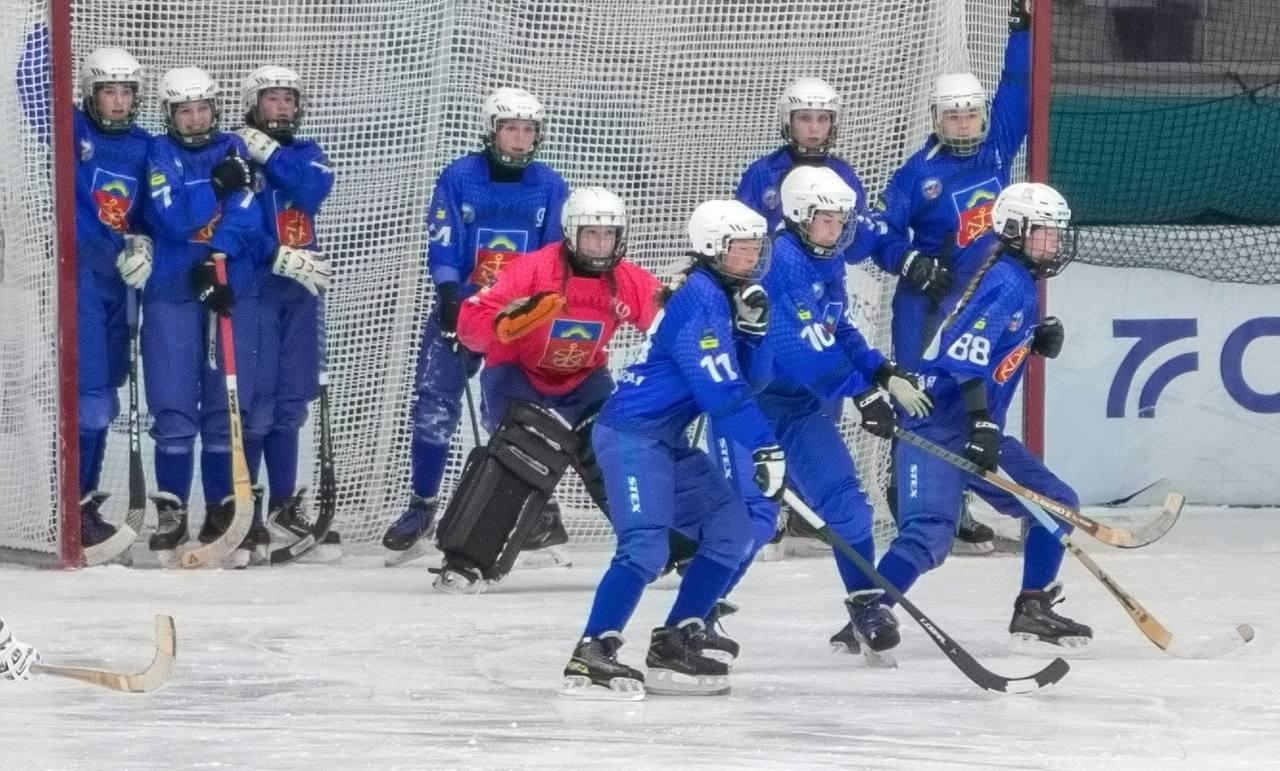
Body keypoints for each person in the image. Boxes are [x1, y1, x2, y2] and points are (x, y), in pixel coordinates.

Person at [705, 166, 931, 664]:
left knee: (848, 504)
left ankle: (866, 606)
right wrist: (861, 392)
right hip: (747, 408)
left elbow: (837, 328)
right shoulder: (780, 261)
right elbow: (803, 346)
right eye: (827, 219)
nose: (838, 228)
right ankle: (695, 617)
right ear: (799, 216)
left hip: (797, 407)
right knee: (753, 519)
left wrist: (882, 371)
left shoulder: (825, 261)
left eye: (842, 219)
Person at [559, 200, 783, 700]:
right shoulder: (701, 298)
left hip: (666, 438)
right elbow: (720, 391)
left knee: (733, 530)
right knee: (646, 546)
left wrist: (754, 334)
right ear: (712, 249)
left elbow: (753, 379)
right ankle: (592, 649)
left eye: (756, 248)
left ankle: (679, 637)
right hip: (632, 435)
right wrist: (764, 447)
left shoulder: (724, 296)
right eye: (741, 249)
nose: (752, 258)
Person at [875, 181, 1092, 653]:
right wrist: (983, 422)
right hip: (939, 425)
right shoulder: (1008, 280)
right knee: (928, 535)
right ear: (1015, 230)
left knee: (1055, 502)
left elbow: (988, 342)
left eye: (1056, 231)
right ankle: (869, 614)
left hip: (969, 425)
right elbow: (963, 355)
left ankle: (1033, 607)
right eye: (1045, 231)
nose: (1055, 241)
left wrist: (1029, 340)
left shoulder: (1016, 277)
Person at [382, 87, 569, 564]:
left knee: (518, 411)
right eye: (510, 128)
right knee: (434, 402)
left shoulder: (550, 184)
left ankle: (535, 512)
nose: (520, 138)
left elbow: (554, 254)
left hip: (522, 316)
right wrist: (449, 293)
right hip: (466, 307)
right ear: (491, 131)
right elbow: (444, 239)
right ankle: (422, 506)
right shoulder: (460, 175)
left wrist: (541, 309)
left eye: (528, 130)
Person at [877, 0, 1033, 551]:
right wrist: (910, 261)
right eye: (953, 116)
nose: (963, 124)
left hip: (981, 299)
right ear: (936, 119)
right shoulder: (916, 175)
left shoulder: (997, 149)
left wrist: (1021, 30)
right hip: (926, 304)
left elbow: (1017, 86)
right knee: (919, 398)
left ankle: (958, 498)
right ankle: (908, 498)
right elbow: (879, 234)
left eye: (970, 115)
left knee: (979, 400)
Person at [450, 187, 662, 584]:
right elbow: (470, 323)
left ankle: (657, 541)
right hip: (516, 371)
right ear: (570, 233)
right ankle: (488, 546)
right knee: (521, 447)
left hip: (584, 378)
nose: (600, 244)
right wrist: (502, 324)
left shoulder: (628, 279)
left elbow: (670, 324)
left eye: (609, 235)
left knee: (614, 447)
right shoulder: (531, 270)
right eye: (591, 234)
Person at [16, 37, 154, 555]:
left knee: (104, 400)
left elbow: (152, 212)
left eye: (126, 92)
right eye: (108, 91)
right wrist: (39, 28)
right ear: (90, 94)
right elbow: (32, 88)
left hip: (120, 283)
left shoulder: (145, 144)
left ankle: (83, 504)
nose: (117, 101)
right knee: (89, 400)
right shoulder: (72, 129)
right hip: (78, 280)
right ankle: (69, 510)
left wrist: (144, 243)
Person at [141, 67, 267, 566]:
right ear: (169, 115)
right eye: (185, 111)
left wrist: (217, 258)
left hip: (225, 285)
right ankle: (172, 513)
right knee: (173, 408)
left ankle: (220, 509)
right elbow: (171, 217)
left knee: (223, 408)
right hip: (171, 291)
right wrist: (214, 185)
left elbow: (247, 212)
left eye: (203, 109)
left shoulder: (233, 146)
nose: (195, 119)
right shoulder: (159, 152)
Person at [234, 65, 337, 562]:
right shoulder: (234, 152)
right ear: (253, 105)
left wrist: (271, 153)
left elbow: (311, 191)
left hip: (301, 291)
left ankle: (282, 507)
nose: (281, 108)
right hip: (256, 289)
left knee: (292, 404)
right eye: (272, 99)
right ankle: (246, 512)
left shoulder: (307, 152)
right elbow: (235, 219)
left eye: (288, 99)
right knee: (257, 405)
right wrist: (273, 256)